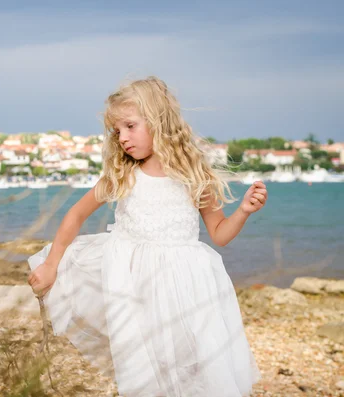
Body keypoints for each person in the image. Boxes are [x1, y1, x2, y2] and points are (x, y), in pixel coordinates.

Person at [27, 76, 265, 396]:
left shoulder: (195, 176)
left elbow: (219, 235)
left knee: (194, 364)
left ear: (158, 121)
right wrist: (52, 265)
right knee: (141, 367)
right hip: (130, 285)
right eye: (117, 131)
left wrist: (244, 212)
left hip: (185, 285)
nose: (123, 138)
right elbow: (76, 215)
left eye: (130, 126)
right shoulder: (122, 175)